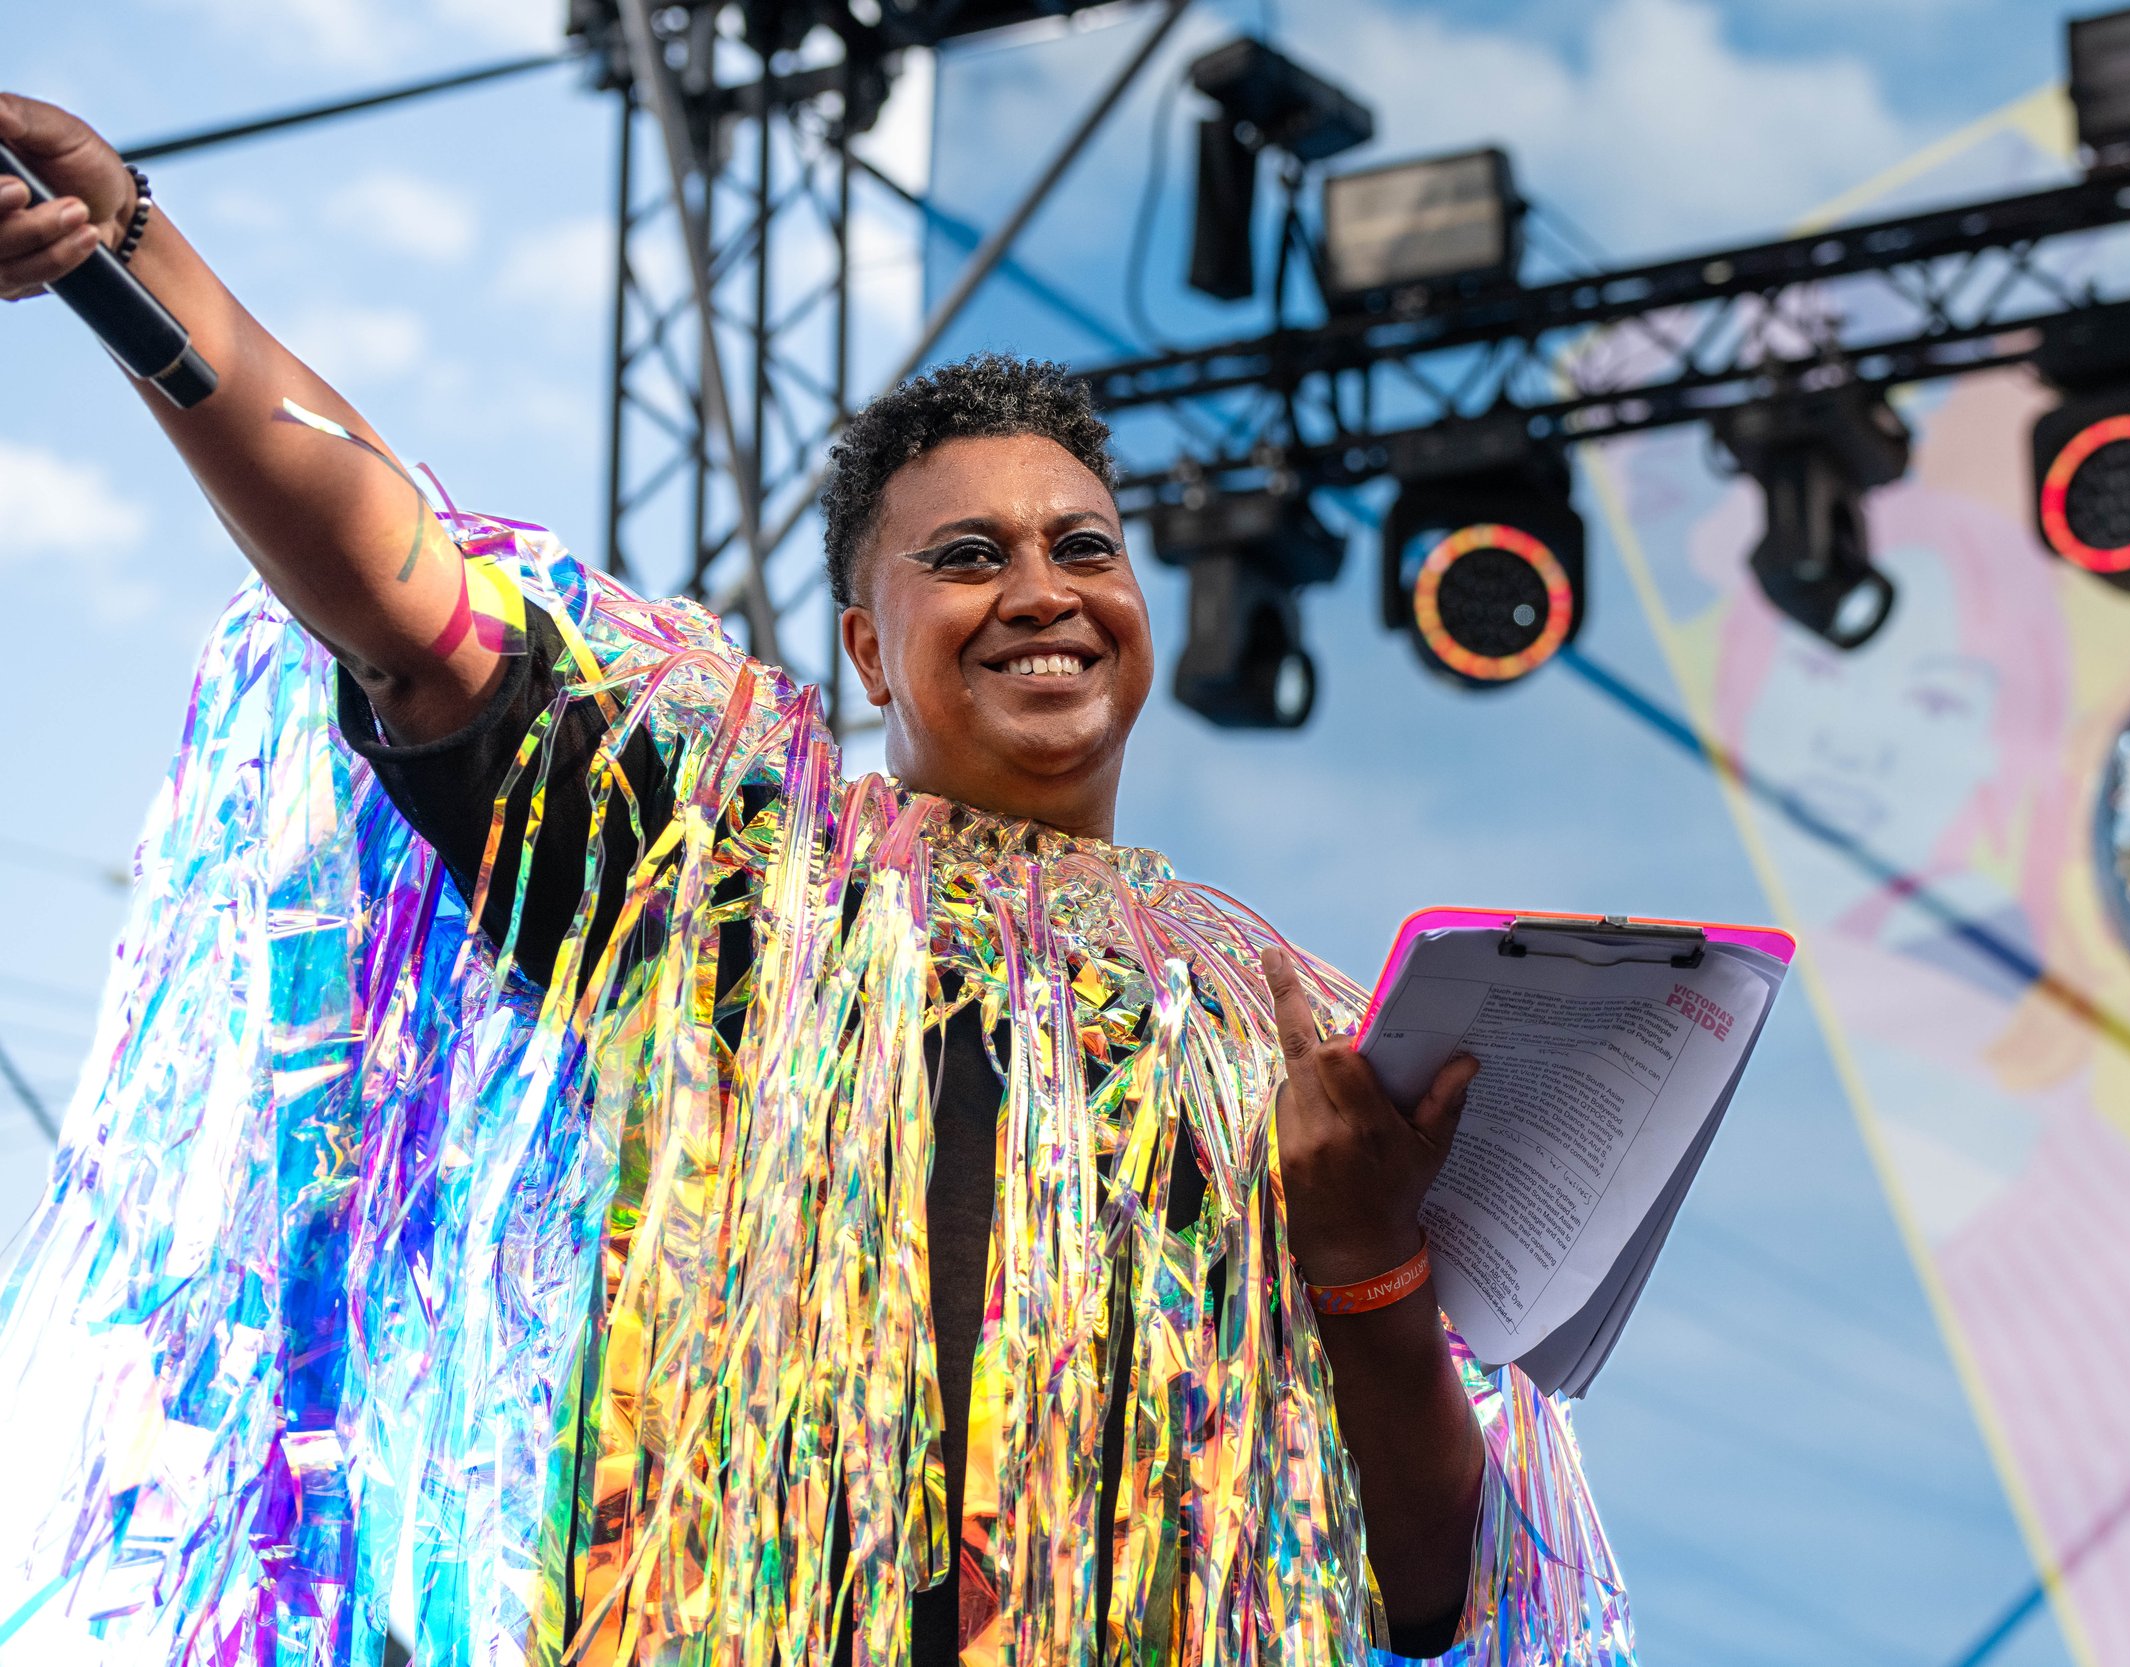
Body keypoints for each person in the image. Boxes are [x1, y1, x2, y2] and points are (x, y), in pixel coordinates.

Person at [0, 94, 1630, 1665]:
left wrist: (1368, 1265)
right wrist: (132, 251)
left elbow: (1430, 1599)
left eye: (1083, 546)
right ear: (867, 645)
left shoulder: (1283, 1036)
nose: (1043, 592)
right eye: (969, 556)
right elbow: (402, 584)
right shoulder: (734, 876)